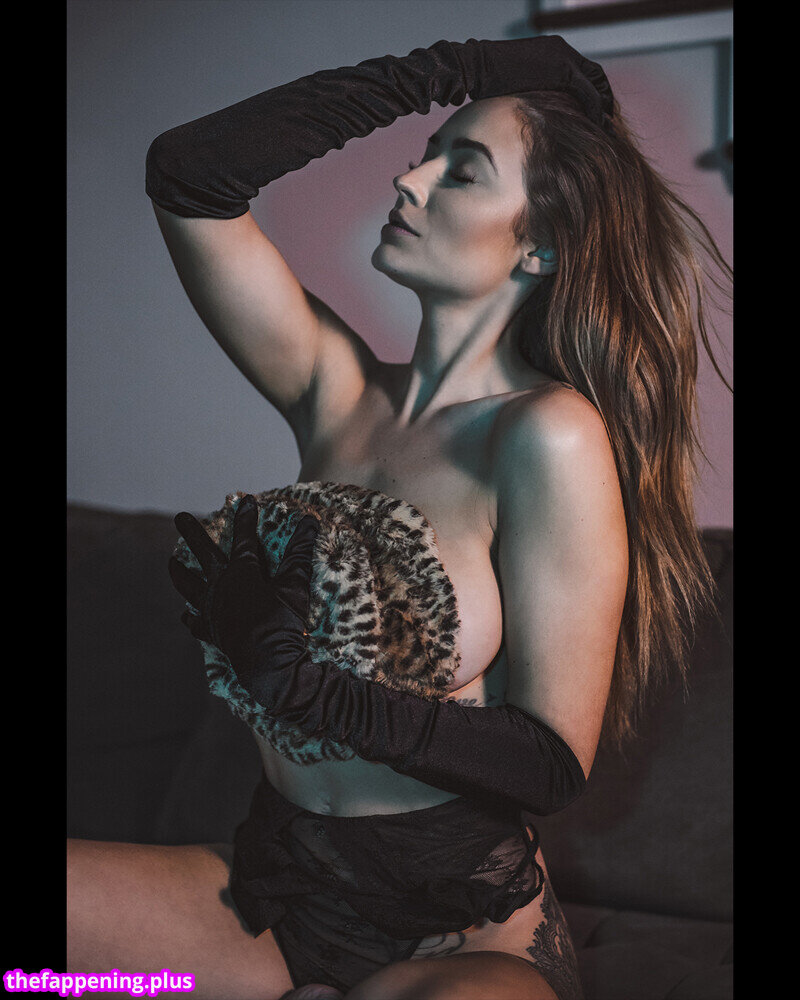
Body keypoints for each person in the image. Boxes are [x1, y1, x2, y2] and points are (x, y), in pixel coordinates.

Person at [67, 34, 731, 1000]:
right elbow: (190, 175)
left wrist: (315, 693)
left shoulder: (546, 435)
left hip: (460, 936)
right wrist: (444, 73)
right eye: (426, 155)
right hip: (275, 896)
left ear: (540, 245)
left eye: (461, 171)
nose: (408, 182)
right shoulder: (334, 391)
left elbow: (550, 763)